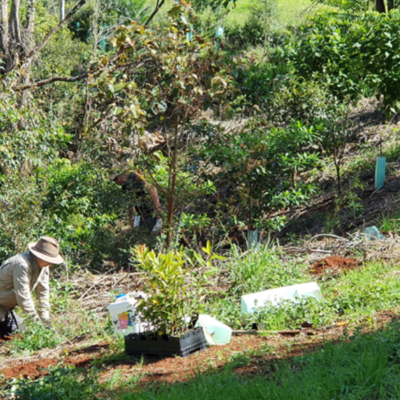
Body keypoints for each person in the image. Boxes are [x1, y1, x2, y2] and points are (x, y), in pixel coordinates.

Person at [0, 236, 64, 337]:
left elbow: (43, 293)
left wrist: (46, 320)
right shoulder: (21, 264)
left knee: (20, 332)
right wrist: (36, 322)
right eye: (48, 259)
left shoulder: (43, 266)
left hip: (6, 310)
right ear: (39, 256)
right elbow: (23, 296)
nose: (50, 264)